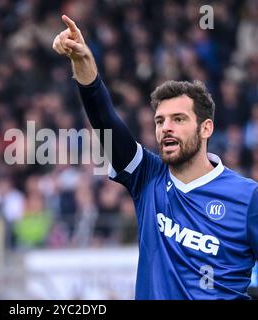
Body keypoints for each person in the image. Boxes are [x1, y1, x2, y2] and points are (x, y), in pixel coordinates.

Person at [52, 15, 258, 300]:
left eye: (178, 119)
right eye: (160, 121)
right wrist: (84, 65)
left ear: (206, 127)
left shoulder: (248, 198)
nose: (166, 128)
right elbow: (106, 122)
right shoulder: (148, 176)